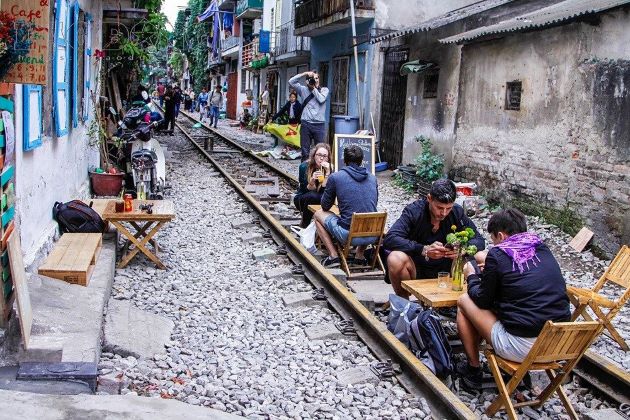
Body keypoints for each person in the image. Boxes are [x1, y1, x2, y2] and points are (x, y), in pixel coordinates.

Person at [455, 208, 570, 389]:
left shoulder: (499, 253)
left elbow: (482, 300)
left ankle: (473, 369)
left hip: (522, 347)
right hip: (557, 343)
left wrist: (471, 276)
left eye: (493, 240)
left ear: (500, 235)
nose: (494, 245)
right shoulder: (542, 247)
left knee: (464, 301)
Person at [383, 179, 485, 299]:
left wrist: (463, 249)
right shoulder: (414, 211)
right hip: (417, 267)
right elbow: (390, 238)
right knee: (395, 258)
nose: (444, 213)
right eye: (439, 208)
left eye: (448, 208)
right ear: (429, 198)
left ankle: (469, 301)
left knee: (482, 256)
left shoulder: (457, 213)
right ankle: (404, 304)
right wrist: (423, 249)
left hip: (448, 269)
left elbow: (479, 240)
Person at [313, 145, 378, 268]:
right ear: (362, 160)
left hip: (348, 235)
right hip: (372, 234)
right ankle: (359, 256)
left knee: (317, 215)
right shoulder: (373, 178)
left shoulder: (336, 177)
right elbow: (372, 204)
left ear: (344, 160)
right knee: (365, 212)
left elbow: (325, 206)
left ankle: (333, 256)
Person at [289, 70, 329, 161]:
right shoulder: (303, 90)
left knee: (320, 150)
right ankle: (305, 173)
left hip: (319, 125)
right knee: (305, 151)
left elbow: (321, 99)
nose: (315, 80)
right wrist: (305, 73)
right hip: (306, 124)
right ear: (307, 81)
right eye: (312, 78)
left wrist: (313, 88)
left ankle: (319, 172)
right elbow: (291, 81)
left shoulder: (324, 90)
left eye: (317, 78)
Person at [294, 143, 331, 228]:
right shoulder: (304, 167)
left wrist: (328, 173)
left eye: (325, 156)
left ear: (328, 158)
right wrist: (311, 182)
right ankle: (304, 224)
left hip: (321, 197)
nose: (321, 158)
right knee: (313, 196)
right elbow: (303, 189)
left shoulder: (330, 168)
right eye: (319, 155)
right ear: (314, 155)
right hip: (303, 198)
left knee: (322, 197)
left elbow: (327, 192)